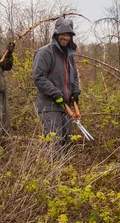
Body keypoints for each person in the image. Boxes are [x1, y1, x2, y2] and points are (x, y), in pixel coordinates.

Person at [32, 17, 80, 155]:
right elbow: (38, 77)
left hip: (65, 106)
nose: (65, 37)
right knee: (55, 143)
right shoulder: (45, 52)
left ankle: (65, 174)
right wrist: (56, 93)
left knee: (66, 141)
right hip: (49, 105)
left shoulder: (69, 55)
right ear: (56, 34)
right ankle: (53, 174)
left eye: (68, 35)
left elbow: (74, 76)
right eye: (62, 34)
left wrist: (75, 91)